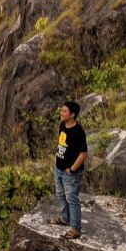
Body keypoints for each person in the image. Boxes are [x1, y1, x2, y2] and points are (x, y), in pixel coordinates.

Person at [51, 100, 87, 240]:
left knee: (72, 198)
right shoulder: (62, 125)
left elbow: (83, 154)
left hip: (70, 172)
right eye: (62, 110)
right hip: (58, 168)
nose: (61, 113)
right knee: (60, 194)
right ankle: (65, 219)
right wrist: (56, 159)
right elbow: (60, 144)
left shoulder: (78, 132)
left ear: (72, 114)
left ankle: (76, 229)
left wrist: (72, 170)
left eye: (64, 111)